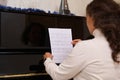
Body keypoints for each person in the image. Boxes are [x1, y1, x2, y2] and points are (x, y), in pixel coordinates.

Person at [43, 0, 120, 80]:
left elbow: (58, 75)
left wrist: (48, 60)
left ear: (92, 19)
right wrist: (84, 45)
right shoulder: (116, 44)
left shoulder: (85, 47)